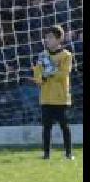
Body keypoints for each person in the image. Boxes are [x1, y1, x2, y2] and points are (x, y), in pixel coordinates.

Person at [33, 25, 74, 160]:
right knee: (46, 127)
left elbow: (64, 74)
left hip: (61, 97)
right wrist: (42, 78)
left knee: (64, 126)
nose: (47, 40)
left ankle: (68, 153)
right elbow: (37, 76)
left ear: (59, 39)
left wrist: (49, 73)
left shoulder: (66, 55)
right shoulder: (42, 56)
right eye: (46, 37)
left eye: (50, 37)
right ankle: (46, 154)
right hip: (46, 97)